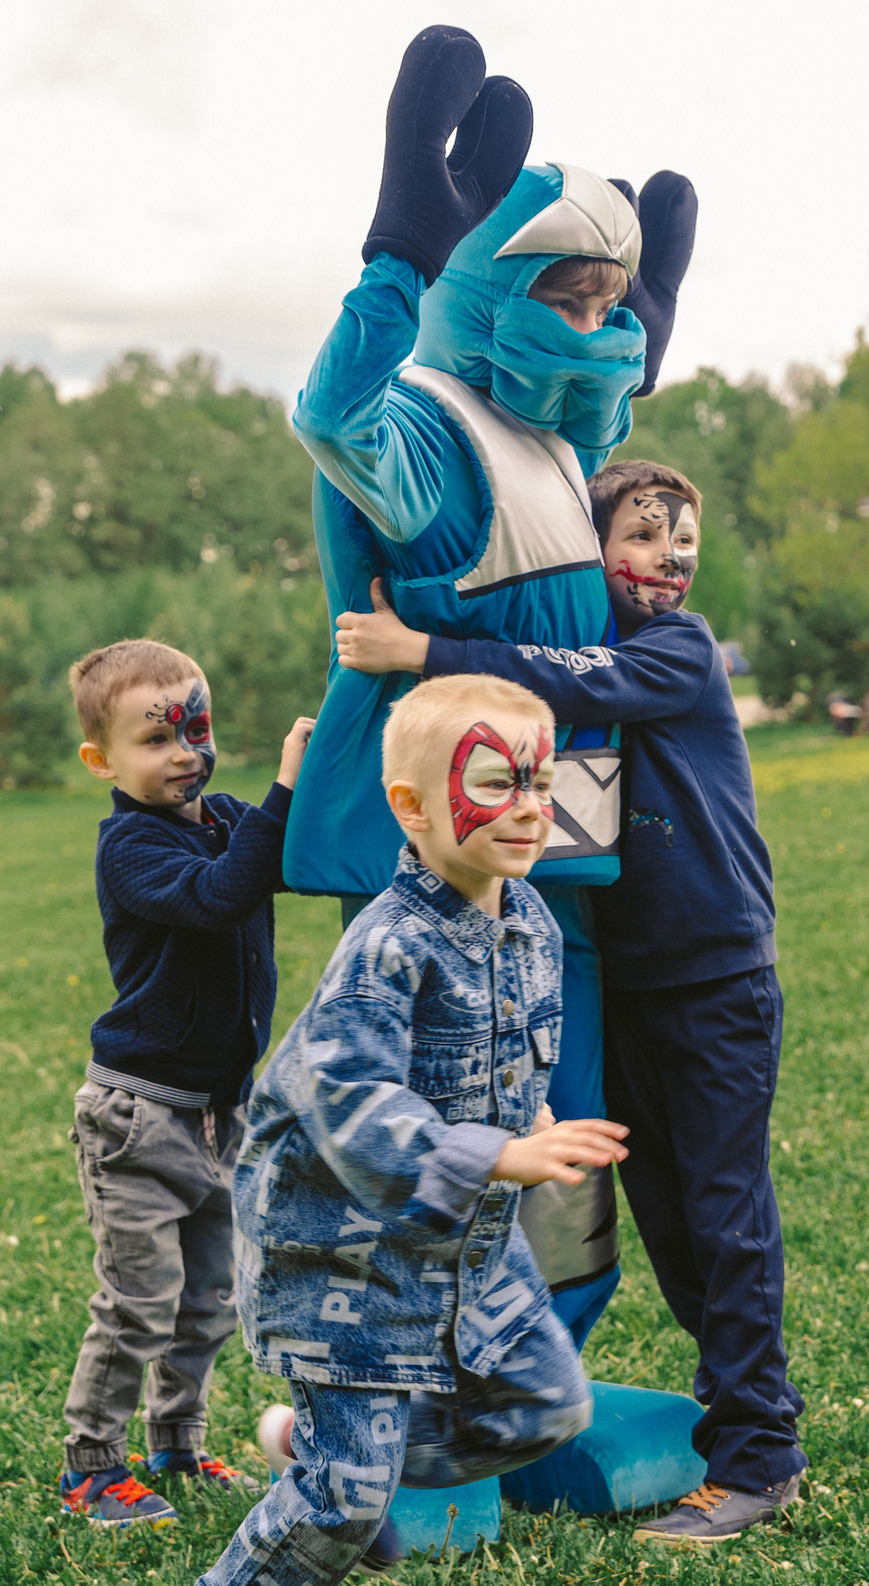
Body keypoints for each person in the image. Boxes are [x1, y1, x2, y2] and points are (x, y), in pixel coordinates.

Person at [284, 23, 696, 1368]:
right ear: (479, 284)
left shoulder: (552, 438)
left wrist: (638, 336)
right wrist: (401, 248)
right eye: (564, 300)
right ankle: (400, 1383)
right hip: (437, 837)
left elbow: (601, 429)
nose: (592, 332)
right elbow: (331, 417)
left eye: (607, 306)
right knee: (436, 1104)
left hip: (557, 837)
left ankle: (541, 1370)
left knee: (566, 1113)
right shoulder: (428, 424)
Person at [331, 458, 799, 1547]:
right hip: (626, 980)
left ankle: (763, 1456)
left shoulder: (675, 651)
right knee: (671, 1222)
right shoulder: (574, 668)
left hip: (717, 974)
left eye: (685, 539)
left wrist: (424, 650)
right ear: (582, 555)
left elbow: (569, 676)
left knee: (727, 1218)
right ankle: (729, 1408)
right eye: (643, 536)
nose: (672, 557)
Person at [200, 673, 630, 1585]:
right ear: (411, 807)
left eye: (542, 783)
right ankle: (333, 1482)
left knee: (548, 1407)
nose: (528, 809)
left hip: (464, 1244)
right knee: (341, 1503)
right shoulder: (386, 946)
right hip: (344, 1259)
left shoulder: (535, 924)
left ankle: (321, 1454)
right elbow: (355, 1099)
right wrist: (504, 1154)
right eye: (493, 782)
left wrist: (534, 1117)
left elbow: (515, 1054)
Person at [54, 639, 313, 1528]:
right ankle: (92, 1465)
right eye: (158, 738)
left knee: (209, 1298)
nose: (186, 752)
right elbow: (219, 895)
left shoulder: (230, 817)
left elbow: (289, 855)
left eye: (196, 728)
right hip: (138, 1115)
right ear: (102, 761)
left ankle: (177, 1442)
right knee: (140, 1302)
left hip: (221, 1112)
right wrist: (282, 790)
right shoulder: (130, 845)